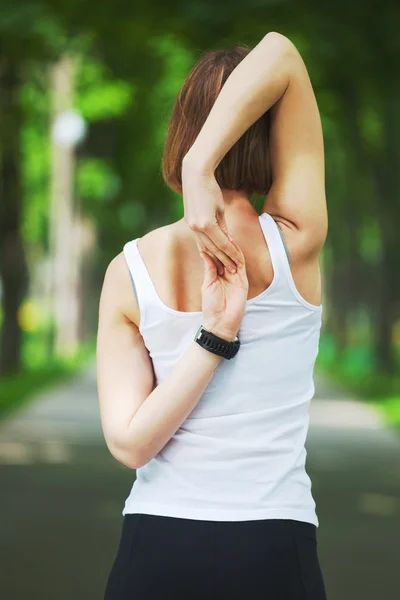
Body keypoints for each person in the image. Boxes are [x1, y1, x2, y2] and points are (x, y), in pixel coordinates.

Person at [97, 31, 328, 600]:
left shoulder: (127, 271)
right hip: (274, 544)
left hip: (154, 544)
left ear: (182, 129)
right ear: (270, 136)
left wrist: (210, 342)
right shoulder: (295, 244)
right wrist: (206, 166)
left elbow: (131, 446)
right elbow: (283, 54)